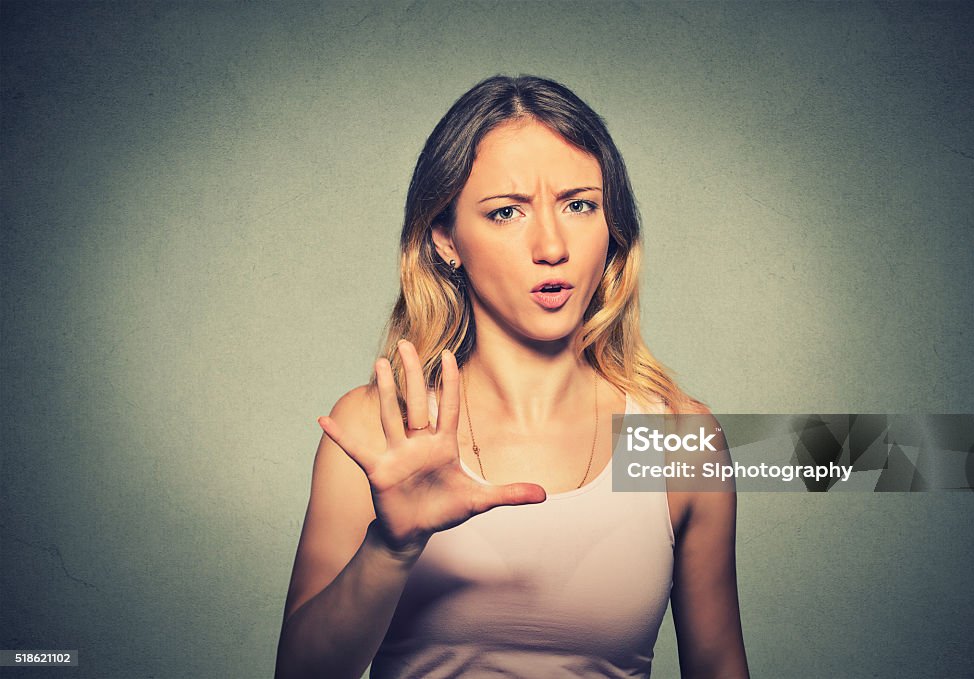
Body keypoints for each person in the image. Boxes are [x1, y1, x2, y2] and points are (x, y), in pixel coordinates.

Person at [274, 74, 749, 679]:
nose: (552, 246)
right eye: (505, 212)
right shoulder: (375, 426)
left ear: (612, 228)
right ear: (445, 238)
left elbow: (719, 667)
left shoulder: (678, 436)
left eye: (580, 205)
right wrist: (390, 547)